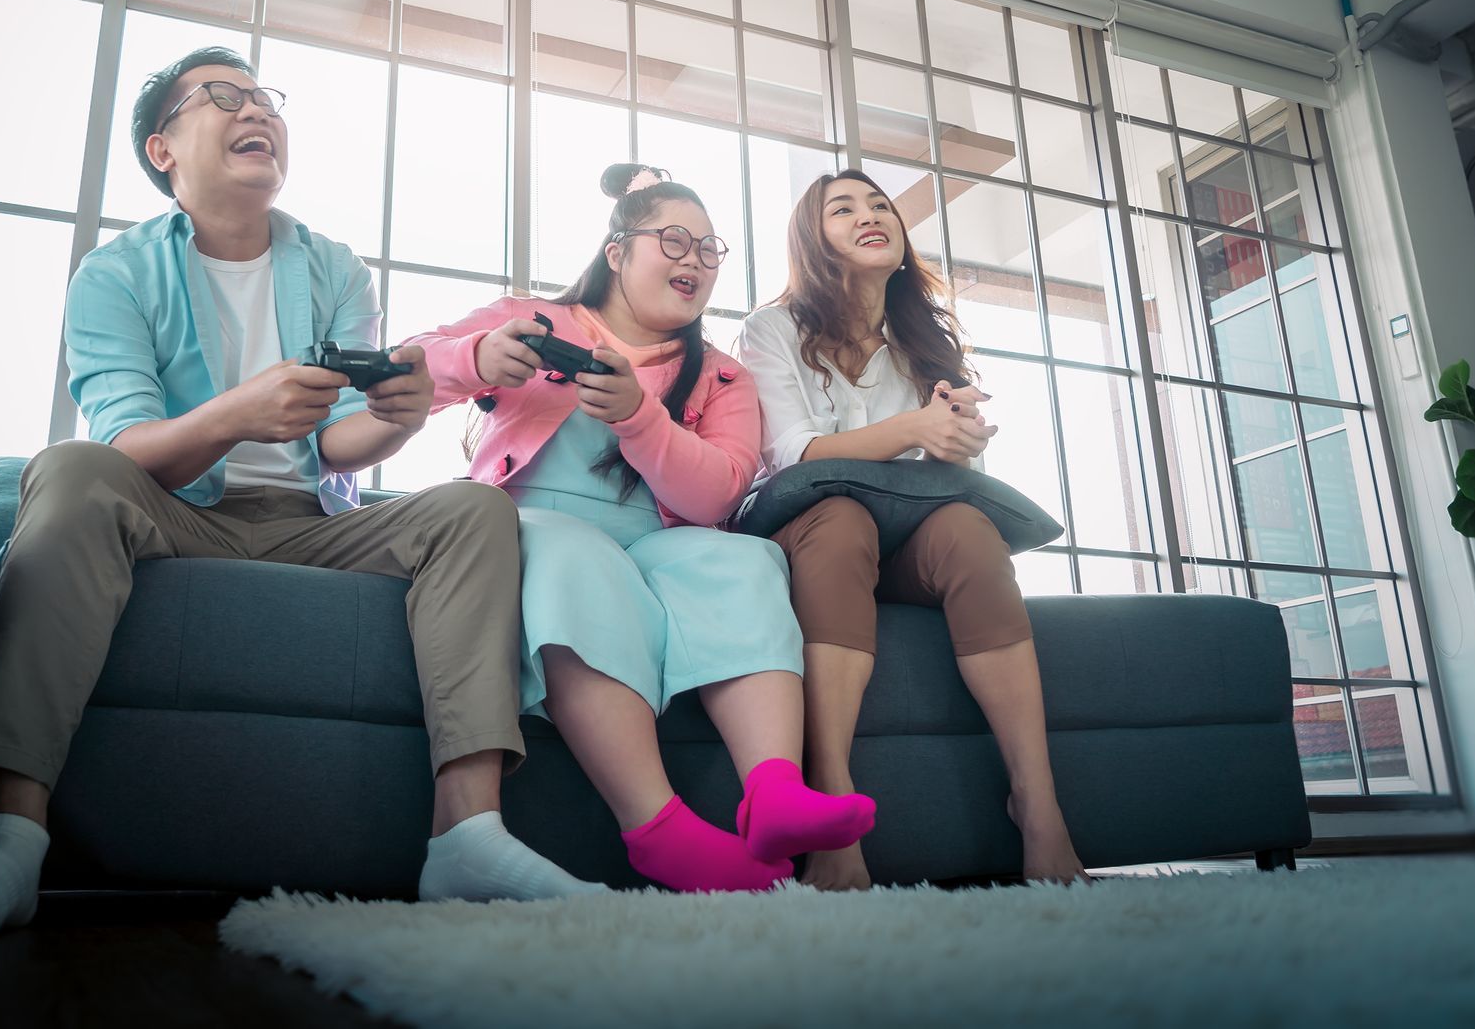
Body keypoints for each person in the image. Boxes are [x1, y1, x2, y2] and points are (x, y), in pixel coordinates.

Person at [0, 47, 599, 935]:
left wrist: (399, 417)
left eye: (265, 99)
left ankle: (466, 834)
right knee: (70, 467)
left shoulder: (333, 267)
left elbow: (338, 443)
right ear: (163, 148)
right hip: (174, 512)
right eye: (223, 97)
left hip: (310, 523)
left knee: (474, 510)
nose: (257, 110)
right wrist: (235, 413)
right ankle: (14, 836)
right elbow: (129, 446)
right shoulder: (114, 274)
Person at [408, 164, 876, 892]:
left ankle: (775, 789)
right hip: (530, 525)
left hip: (659, 539)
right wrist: (475, 357)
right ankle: (657, 827)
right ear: (617, 251)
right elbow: (410, 368)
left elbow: (719, 490)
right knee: (574, 557)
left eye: (709, 249)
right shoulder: (533, 319)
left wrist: (638, 415)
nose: (693, 258)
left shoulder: (722, 376)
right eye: (674, 239)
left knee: (745, 561)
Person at [737, 168, 1087, 889]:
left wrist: (957, 434)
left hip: (911, 540)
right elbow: (794, 456)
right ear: (812, 237)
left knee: (967, 527)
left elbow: (956, 473)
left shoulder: (923, 341)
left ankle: (1039, 803)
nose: (870, 215)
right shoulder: (770, 328)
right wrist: (913, 426)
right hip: (815, 538)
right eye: (843, 208)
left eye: (879, 205)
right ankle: (831, 799)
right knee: (838, 518)